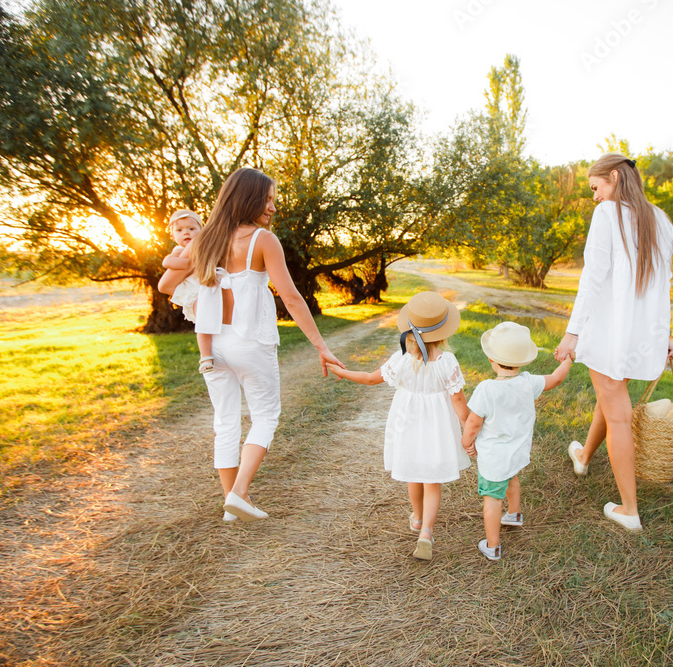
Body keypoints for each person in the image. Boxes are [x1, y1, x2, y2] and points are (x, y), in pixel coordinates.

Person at [158, 168, 344, 523]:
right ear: (250, 199)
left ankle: (231, 506)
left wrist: (203, 291)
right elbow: (290, 296)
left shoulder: (205, 238)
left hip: (213, 345)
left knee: (225, 422)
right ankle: (239, 494)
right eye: (269, 199)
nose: (273, 207)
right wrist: (321, 346)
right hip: (251, 344)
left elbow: (166, 285)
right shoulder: (262, 240)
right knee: (265, 416)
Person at [553, 153, 673, 533]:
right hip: (639, 336)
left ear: (614, 177)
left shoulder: (608, 214)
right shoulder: (661, 219)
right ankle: (584, 456)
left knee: (617, 412)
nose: (594, 197)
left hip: (610, 333)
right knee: (611, 398)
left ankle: (629, 509)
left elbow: (593, 277)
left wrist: (573, 331)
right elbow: (663, 285)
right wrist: (665, 334)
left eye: (595, 188)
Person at [325, 291, 470, 561]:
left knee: (414, 474)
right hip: (436, 429)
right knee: (432, 480)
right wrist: (469, 429)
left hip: (408, 425)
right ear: (443, 332)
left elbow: (370, 379)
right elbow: (459, 400)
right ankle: (426, 531)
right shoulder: (447, 362)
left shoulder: (401, 359)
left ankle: (416, 517)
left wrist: (342, 371)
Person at [461, 322, 572, 561]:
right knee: (512, 477)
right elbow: (555, 379)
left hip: (494, 458)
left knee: (492, 499)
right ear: (523, 361)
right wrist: (568, 360)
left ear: (491, 359)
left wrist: (466, 441)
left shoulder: (486, 389)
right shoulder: (528, 382)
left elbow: (473, 423)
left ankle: (493, 546)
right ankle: (514, 514)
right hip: (516, 452)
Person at [157, 209, 215, 373]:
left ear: (201, 231)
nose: (186, 233)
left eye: (191, 229)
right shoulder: (178, 251)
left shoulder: (204, 246)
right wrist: (191, 264)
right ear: (173, 236)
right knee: (203, 323)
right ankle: (206, 357)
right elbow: (167, 262)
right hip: (194, 292)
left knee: (212, 320)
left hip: (208, 287)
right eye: (180, 230)